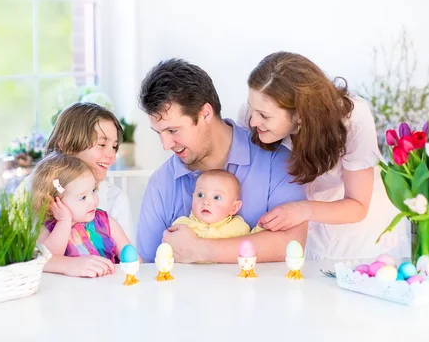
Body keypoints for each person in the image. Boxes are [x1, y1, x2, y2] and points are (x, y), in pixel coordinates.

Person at [241, 51, 409, 260]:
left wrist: (302, 210)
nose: (253, 121)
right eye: (251, 108)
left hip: (359, 227)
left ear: (300, 116)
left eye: (264, 116)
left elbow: (357, 206)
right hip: (302, 215)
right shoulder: (256, 111)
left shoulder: (352, 119)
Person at [136, 58, 306, 263]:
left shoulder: (276, 162)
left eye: (173, 130)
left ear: (205, 113)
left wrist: (201, 249)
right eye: (159, 133)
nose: (165, 144)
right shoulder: (162, 183)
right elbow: (147, 263)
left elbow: (292, 244)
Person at [16, 102, 133, 241]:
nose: (112, 155)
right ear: (67, 145)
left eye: (114, 146)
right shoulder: (30, 189)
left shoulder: (116, 200)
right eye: (101, 144)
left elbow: (128, 259)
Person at [32, 152, 134, 278]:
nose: (93, 200)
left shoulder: (105, 222)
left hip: (110, 290)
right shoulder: (47, 230)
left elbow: (131, 256)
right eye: (83, 197)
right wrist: (64, 221)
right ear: (53, 202)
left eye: (93, 190)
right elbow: (46, 260)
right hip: (72, 294)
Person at [172, 169, 259, 239]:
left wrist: (261, 227)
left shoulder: (239, 227)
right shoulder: (182, 225)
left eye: (216, 197)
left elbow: (253, 245)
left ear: (234, 207)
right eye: (200, 195)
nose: (206, 202)